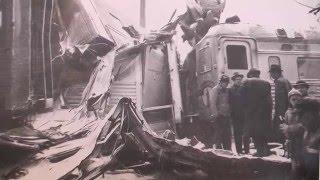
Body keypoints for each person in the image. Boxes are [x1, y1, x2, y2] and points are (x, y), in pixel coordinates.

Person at [281, 98, 320, 180]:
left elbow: (303, 126)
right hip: (307, 155)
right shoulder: (309, 120)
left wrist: (288, 128)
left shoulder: (311, 118)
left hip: (313, 157)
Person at [242, 68, 273, 156]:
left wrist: (245, 109)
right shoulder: (266, 83)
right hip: (264, 113)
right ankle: (266, 150)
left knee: (254, 132)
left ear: (250, 75)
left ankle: (259, 151)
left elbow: (243, 98)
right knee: (262, 131)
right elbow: (269, 100)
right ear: (258, 75)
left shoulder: (246, 82)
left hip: (252, 112)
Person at [269, 64, 292, 143]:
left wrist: (280, 114)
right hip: (288, 109)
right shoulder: (286, 80)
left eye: (271, 73)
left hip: (281, 111)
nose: (271, 75)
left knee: (280, 131)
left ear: (276, 73)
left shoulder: (279, 82)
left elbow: (280, 100)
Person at [210, 75, 232, 150]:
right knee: (219, 135)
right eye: (224, 82)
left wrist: (229, 112)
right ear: (220, 82)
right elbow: (213, 103)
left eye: (226, 83)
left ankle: (228, 150)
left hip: (226, 115)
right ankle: (219, 152)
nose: (225, 84)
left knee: (227, 135)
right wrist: (216, 114)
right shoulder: (215, 90)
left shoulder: (227, 90)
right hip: (219, 116)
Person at [229, 72, 249, 154]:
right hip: (235, 115)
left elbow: (247, 101)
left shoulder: (244, 89)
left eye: (240, 79)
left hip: (244, 114)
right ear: (233, 80)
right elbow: (229, 102)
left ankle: (247, 151)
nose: (239, 81)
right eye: (237, 79)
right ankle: (239, 151)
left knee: (246, 134)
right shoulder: (230, 90)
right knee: (237, 134)